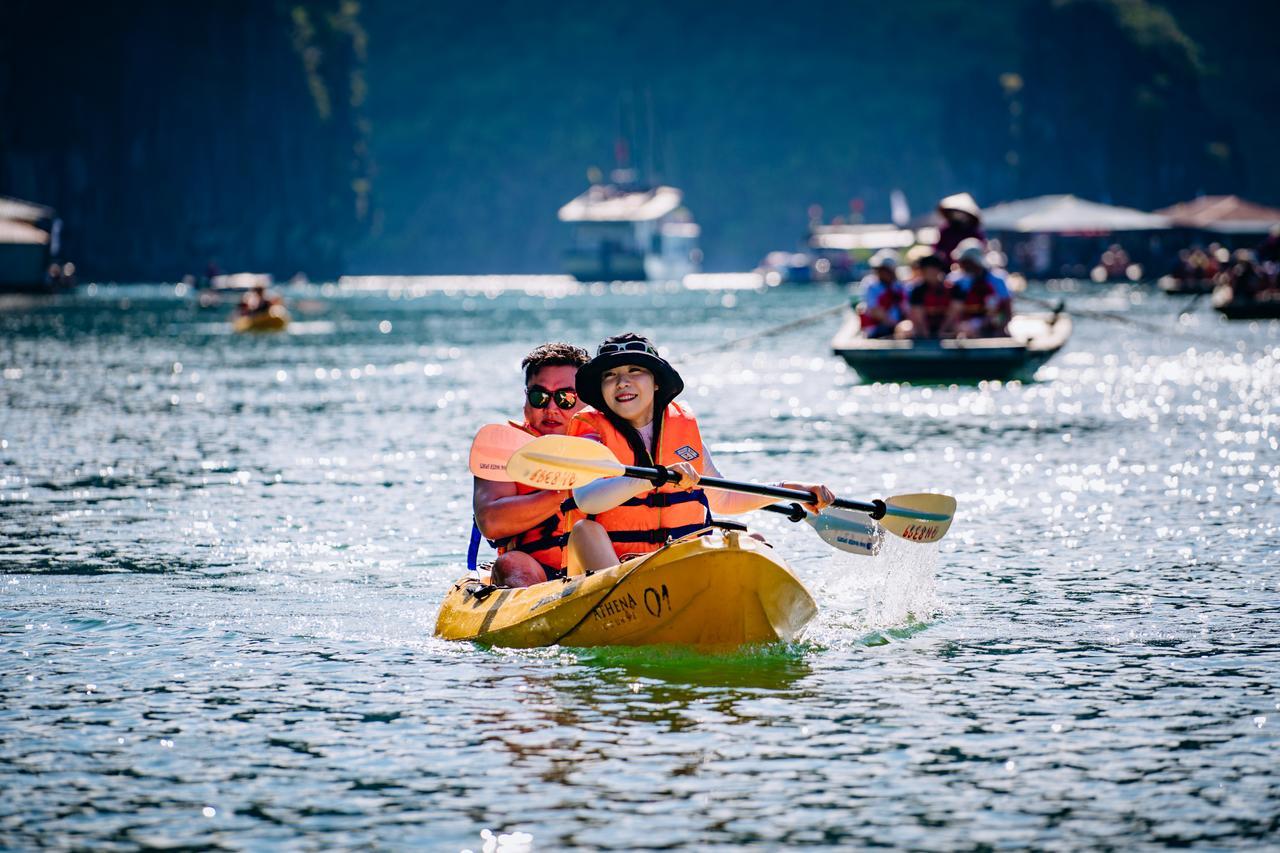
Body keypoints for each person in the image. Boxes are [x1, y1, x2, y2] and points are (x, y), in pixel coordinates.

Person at [563, 333, 834, 574]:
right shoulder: (591, 434)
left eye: (635, 370)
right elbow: (588, 500)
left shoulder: (682, 431)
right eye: (610, 375)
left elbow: (724, 499)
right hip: (614, 575)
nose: (622, 382)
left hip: (674, 562)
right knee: (585, 531)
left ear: (656, 382)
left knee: (754, 541)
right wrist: (656, 478)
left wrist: (790, 488)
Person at [472, 342, 590, 587]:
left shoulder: (612, 440)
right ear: (526, 397)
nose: (551, 408)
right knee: (511, 564)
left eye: (565, 398)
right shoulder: (501, 447)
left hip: (604, 566)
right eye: (539, 397)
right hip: (536, 571)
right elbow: (491, 522)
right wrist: (573, 489)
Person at [948, 239, 1012, 338]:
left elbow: (1007, 309)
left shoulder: (998, 279)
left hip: (992, 326)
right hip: (962, 329)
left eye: (967, 261)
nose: (964, 265)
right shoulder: (954, 279)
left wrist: (1000, 329)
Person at [856, 250, 909, 339]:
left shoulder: (899, 286)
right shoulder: (871, 286)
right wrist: (896, 326)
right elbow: (875, 311)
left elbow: (905, 308)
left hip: (897, 327)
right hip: (878, 329)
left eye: (884, 269)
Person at [903, 254, 954, 340]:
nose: (930, 273)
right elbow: (918, 317)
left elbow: (953, 313)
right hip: (923, 329)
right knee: (905, 329)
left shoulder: (951, 288)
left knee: (965, 328)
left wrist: (941, 331)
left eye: (933, 269)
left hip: (946, 327)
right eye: (927, 270)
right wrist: (926, 336)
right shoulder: (916, 290)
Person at [933, 193, 985, 264]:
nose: (957, 215)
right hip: (947, 267)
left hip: (971, 266)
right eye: (955, 212)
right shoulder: (946, 231)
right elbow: (938, 249)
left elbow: (982, 249)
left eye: (960, 212)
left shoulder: (974, 232)